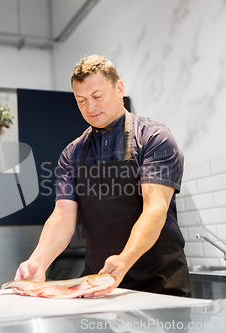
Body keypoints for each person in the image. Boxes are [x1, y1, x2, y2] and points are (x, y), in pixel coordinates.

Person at [15, 55, 191, 297]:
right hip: (99, 284)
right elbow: (63, 215)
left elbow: (155, 209)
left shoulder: (155, 139)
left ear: (119, 89)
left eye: (97, 96)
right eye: (81, 100)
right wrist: (38, 261)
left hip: (158, 282)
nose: (90, 107)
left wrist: (124, 260)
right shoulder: (72, 154)